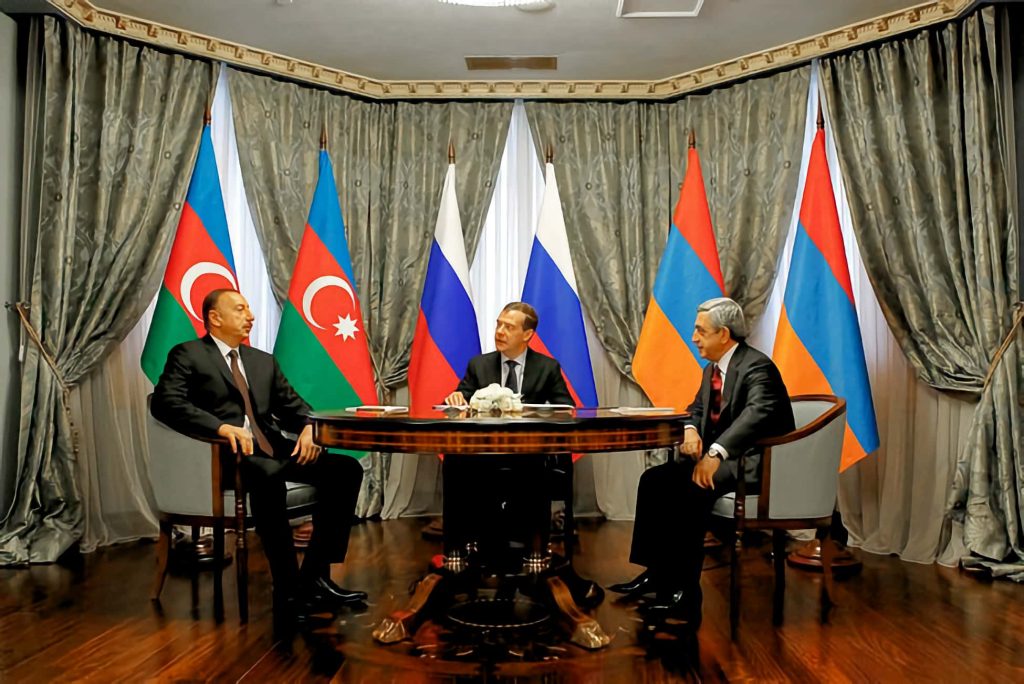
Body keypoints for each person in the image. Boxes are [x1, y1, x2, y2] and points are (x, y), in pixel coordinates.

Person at [151, 289, 366, 627]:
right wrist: (220, 427)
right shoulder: (189, 354)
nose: (250, 315)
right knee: (268, 476)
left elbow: (295, 407)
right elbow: (164, 402)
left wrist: (310, 427)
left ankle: (315, 578)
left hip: (271, 450)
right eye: (240, 309)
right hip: (223, 457)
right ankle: (287, 591)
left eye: (250, 308)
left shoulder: (261, 361)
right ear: (215, 317)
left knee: (345, 469)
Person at [609, 297, 795, 627]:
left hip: (753, 464)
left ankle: (686, 594)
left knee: (690, 490)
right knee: (654, 480)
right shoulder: (713, 369)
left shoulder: (757, 367)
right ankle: (657, 574)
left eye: (700, 331)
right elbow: (695, 408)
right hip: (723, 460)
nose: (694, 338)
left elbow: (757, 415)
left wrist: (715, 452)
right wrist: (692, 429)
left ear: (723, 334)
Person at [443, 301, 572, 563]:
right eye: (498, 324)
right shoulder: (478, 365)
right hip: (483, 453)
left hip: (529, 453)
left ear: (527, 335)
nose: (500, 331)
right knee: (454, 461)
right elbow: (462, 400)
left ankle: (534, 552)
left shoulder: (547, 367)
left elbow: (567, 408)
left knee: (537, 467)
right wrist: (456, 398)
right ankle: (457, 552)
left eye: (509, 327)